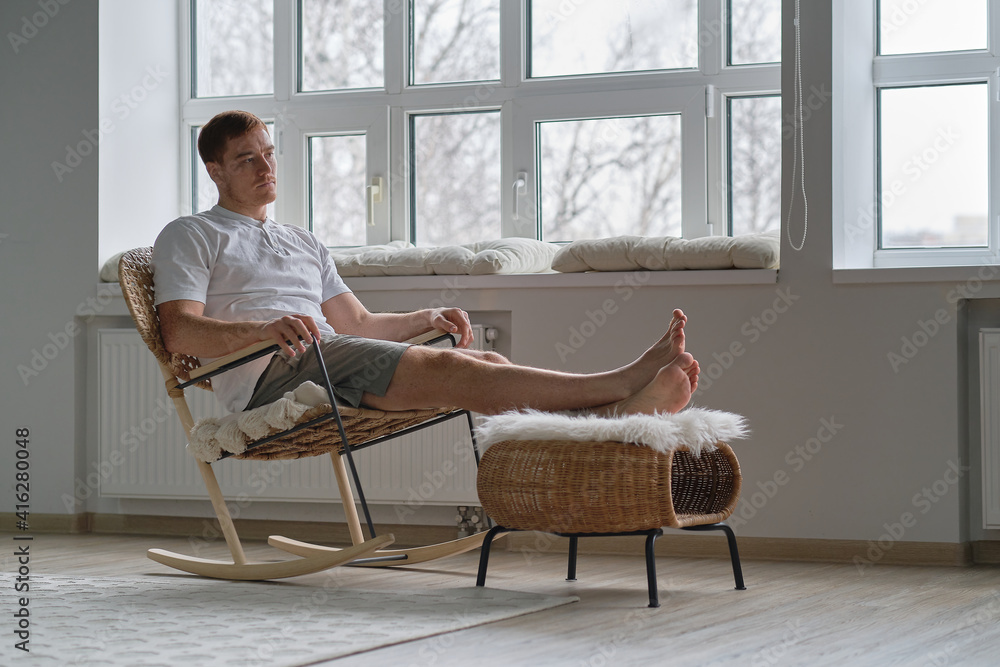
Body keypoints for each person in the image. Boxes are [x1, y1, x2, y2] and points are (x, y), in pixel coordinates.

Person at [153, 110, 700, 418]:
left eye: (268, 153)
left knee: (486, 359)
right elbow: (177, 331)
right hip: (271, 376)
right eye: (246, 159)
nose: (264, 166)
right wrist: (261, 330)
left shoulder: (303, 241)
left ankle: (611, 417)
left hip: (330, 353)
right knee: (454, 371)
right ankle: (621, 381)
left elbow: (359, 326)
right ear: (215, 170)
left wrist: (426, 318)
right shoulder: (192, 234)